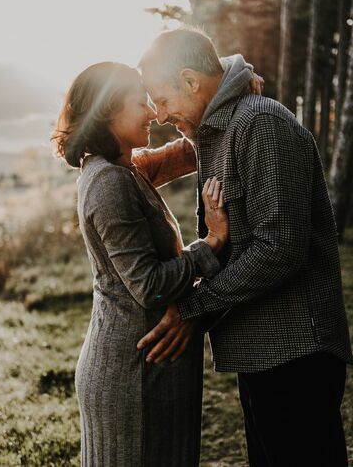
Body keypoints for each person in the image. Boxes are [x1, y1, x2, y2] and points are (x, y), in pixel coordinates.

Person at [137, 26, 353, 467]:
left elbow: (280, 247)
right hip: (263, 349)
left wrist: (194, 308)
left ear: (191, 82)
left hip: (295, 351)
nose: (158, 115)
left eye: (162, 98)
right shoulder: (217, 131)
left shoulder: (260, 124)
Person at [51, 60, 258, 467]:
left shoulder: (125, 168)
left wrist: (233, 77)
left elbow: (189, 149)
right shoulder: (108, 182)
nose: (153, 113)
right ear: (108, 111)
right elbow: (149, 286)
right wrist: (212, 242)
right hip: (133, 376)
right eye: (140, 103)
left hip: (150, 366)